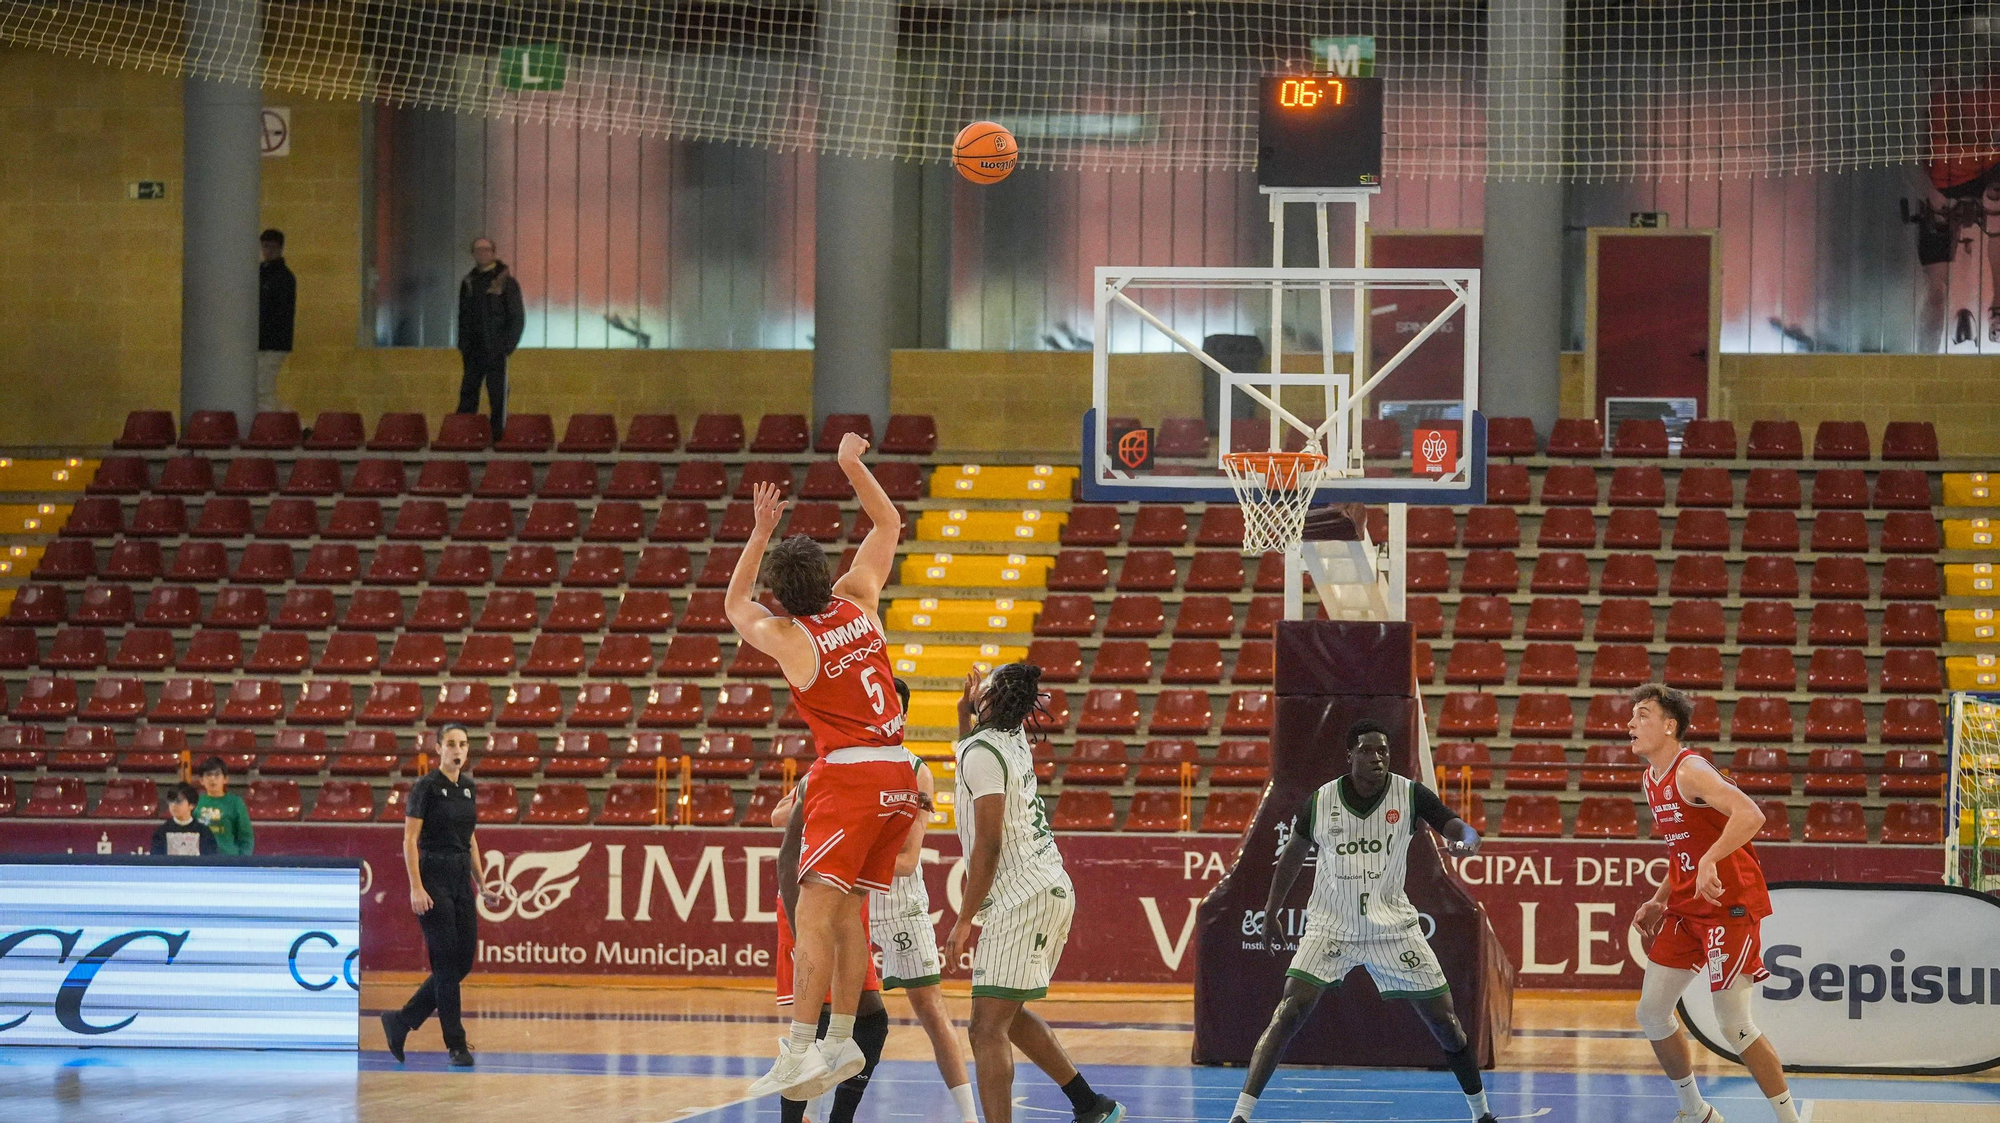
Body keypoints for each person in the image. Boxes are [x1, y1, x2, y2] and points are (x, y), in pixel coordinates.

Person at [730, 434, 920, 1101]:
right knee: (845, 915)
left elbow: (732, 606)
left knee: (812, 916)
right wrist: (849, 465)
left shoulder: (790, 638)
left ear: (781, 596)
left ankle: (800, 1050)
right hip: (902, 773)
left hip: (851, 774)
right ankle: (841, 1039)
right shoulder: (859, 596)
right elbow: (888, 521)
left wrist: (758, 533)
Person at [1229, 720, 1492, 1123]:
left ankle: (1482, 1114)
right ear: (1349, 756)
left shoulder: (1409, 794)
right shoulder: (1321, 801)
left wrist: (1469, 840)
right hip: (1332, 925)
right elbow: (1293, 855)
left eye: (1383, 751)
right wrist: (1272, 909)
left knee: (1447, 1025)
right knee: (1288, 1012)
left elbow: (1455, 825)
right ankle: (1241, 1116)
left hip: (1394, 929)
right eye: (1368, 751)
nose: (1377, 758)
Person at [769, 678, 978, 1123]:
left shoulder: (915, 767)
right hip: (845, 894)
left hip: (894, 898)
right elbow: (779, 816)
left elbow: (906, 861)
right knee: (828, 1020)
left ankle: (968, 1116)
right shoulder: (835, 761)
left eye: (895, 709)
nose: (887, 715)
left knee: (929, 1010)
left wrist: (867, 826)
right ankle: (808, 1113)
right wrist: (841, 812)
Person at [944, 664, 1123, 1123]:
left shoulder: (985, 751)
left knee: (985, 1028)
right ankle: (1090, 1105)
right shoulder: (1010, 738)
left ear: (991, 699)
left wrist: (964, 919)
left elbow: (989, 843)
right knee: (1007, 1014)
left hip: (1023, 897)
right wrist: (965, 714)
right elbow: (970, 747)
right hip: (1045, 887)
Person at [1627, 684, 1801, 1123]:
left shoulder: (1691, 770)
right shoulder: (1651, 779)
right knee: (1651, 1012)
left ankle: (1790, 1120)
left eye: (1643, 715)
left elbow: (1751, 815)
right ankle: (1696, 1112)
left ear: (1670, 726)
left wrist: (1710, 860)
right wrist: (1658, 898)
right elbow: (1683, 848)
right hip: (1687, 909)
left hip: (1729, 905)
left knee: (1734, 1025)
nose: (1631, 724)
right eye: (1632, 716)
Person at [772, 770, 892, 1123]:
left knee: (867, 1022)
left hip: (845, 908)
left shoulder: (882, 776)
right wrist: (806, 937)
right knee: (815, 1031)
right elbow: (786, 853)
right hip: (810, 908)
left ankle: (836, 1117)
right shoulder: (823, 776)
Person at [381, 724, 503, 1068]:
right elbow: (409, 840)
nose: (458, 750)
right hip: (433, 875)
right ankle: (456, 1044)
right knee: (446, 964)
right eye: (451, 744)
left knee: (462, 960)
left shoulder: (467, 787)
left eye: (463, 744)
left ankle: (402, 1021)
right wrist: (415, 886)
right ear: (438, 749)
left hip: (461, 877)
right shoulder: (426, 787)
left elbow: (471, 837)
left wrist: (481, 882)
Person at [455, 237, 525, 443]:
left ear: (493, 253)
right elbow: (462, 317)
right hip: (473, 351)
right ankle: (463, 438)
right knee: (468, 394)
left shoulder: (507, 283)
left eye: (486, 250)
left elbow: (517, 318)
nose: (482, 253)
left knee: (498, 397)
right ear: (473, 254)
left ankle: (498, 439)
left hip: (497, 351)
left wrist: (506, 347)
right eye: (478, 250)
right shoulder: (468, 283)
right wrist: (464, 345)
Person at [258, 229, 296, 413]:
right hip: (260, 342)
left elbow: (276, 313)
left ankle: (285, 426)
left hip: (273, 343)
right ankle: (294, 426)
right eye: (265, 246)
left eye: (272, 247)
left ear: (281, 248)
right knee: (261, 389)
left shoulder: (284, 278)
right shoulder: (259, 274)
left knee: (262, 389)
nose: (268, 251)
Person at [194, 756, 253, 855]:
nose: (212, 779)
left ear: (225, 779)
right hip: (201, 861)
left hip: (229, 860)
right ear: (201, 780)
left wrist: (243, 861)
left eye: (217, 775)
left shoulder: (236, 803)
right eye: (208, 775)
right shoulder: (195, 802)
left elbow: (246, 837)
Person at [152, 783, 218, 856]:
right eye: (171, 801)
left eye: (178, 801)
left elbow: (209, 859)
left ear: (191, 805)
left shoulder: (204, 832)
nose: (173, 805)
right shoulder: (161, 831)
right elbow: (156, 859)